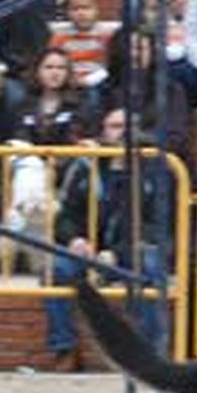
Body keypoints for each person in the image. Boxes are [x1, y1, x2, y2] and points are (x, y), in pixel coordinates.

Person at [43, 107, 175, 371]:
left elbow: (158, 221)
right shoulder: (86, 164)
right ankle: (64, 348)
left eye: (127, 126)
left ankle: (149, 352)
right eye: (114, 126)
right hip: (90, 246)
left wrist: (117, 251)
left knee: (148, 267)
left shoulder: (156, 167)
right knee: (57, 268)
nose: (121, 132)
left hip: (136, 245)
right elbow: (66, 214)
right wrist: (75, 239)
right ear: (103, 131)